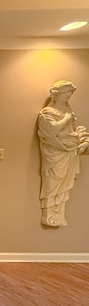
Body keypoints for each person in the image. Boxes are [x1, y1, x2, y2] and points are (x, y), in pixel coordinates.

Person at [37, 80, 89, 226]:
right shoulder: (47, 113)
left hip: (70, 152)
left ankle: (58, 213)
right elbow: (51, 131)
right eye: (65, 92)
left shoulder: (69, 112)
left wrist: (83, 141)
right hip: (55, 153)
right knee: (53, 180)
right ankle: (50, 213)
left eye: (70, 92)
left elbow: (73, 132)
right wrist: (67, 118)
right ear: (56, 94)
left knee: (64, 182)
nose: (68, 95)